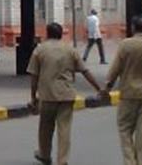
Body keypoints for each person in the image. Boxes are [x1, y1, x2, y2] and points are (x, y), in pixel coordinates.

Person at [26, 22, 104, 165]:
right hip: (66, 95)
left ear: (47, 34)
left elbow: (34, 76)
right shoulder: (70, 50)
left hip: (47, 96)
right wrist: (99, 88)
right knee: (64, 129)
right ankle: (62, 160)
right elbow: (85, 71)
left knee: (45, 128)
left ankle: (44, 154)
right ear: (61, 34)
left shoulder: (40, 50)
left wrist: (33, 97)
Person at [104, 16, 142, 165]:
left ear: (133, 27)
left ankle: (129, 161)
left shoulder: (125, 45)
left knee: (124, 129)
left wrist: (107, 87)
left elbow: (115, 69)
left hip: (128, 94)